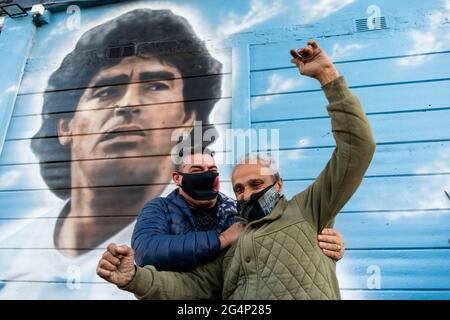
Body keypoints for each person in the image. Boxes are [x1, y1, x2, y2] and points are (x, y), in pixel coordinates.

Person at [96, 39, 376, 299]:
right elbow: (192, 283)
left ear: (278, 184)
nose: (246, 195)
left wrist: (328, 76)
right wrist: (135, 277)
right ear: (177, 178)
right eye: (239, 188)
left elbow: (357, 150)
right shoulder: (222, 228)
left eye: (256, 184)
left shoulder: (305, 210)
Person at [0, 8, 222, 299]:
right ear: (65, 126)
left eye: (156, 85)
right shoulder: (10, 256)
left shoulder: (206, 234)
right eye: (106, 90)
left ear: (187, 120)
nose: (128, 104)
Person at [131, 147, 346, 271]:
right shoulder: (159, 208)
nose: (207, 175)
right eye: (197, 170)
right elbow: (146, 251)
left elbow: (275, 240)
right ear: (177, 178)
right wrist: (222, 239)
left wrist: (317, 241)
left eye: (212, 170)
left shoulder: (236, 210)